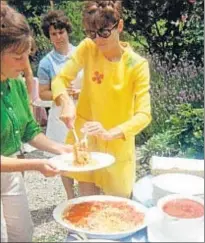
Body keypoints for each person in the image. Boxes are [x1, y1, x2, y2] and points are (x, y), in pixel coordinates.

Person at [52, 0, 152, 199]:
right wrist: (65, 101)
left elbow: (144, 114)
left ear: (119, 26)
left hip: (117, 143)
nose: (98, 39)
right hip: (87, 138)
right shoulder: (88, 48)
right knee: (88, 204)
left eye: (104, 32)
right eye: (92, 33)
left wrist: (111, 133)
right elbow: (60, 79)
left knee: (117, 207)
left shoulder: (137, 65)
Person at [0, 3, 73, 242]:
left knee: (23, 235)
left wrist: (61, 149)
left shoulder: (16, 84)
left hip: (10, 174)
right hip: (10, 166)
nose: (24, 65)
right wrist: (36, 165)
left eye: (27, 55)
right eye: (17, 57)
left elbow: (30, 130)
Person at [37, 10, 83, 199]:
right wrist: (62, 96)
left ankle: (87, 192)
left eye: (60, 32)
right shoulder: (45, 63)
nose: (58, 37)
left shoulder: (81, 53)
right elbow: (42, 92)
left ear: (67, 31)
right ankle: (70, 196)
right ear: (49, 36)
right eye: (53, 34)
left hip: (83, 109)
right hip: (60, 116)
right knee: (65, 157)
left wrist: (82, 91)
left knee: (84, 151)